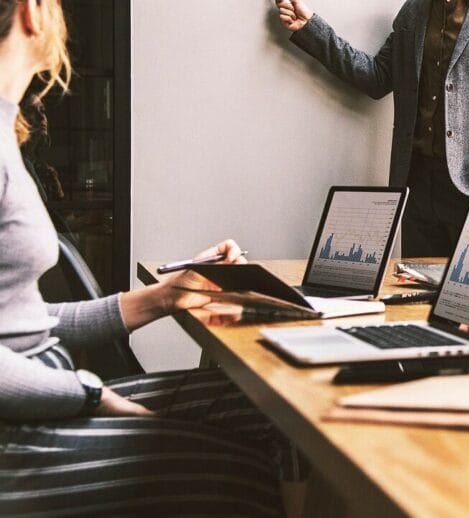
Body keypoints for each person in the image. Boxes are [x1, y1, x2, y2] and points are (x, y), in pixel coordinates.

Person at [0, 1, 304, 514]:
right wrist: (92, 396)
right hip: (20, 436)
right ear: (32, 12)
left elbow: (19, 325)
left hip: (43, 405)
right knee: (240, 471)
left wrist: (167, 295)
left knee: (277, 408)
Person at [274, 0, 469, 257]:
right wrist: (311, 28)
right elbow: (376, 77)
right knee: (416, 300)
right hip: (416, 187)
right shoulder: (414, 9)